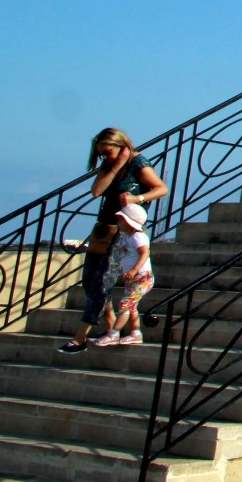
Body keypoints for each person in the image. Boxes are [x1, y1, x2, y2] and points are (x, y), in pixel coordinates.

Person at [59, 128, 167, 354]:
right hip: (104, 229)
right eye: (101, 154)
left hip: (125, 232)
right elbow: (96, 191)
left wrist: (138, 198)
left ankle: (80, 338)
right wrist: (115, 165)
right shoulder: (110, 165)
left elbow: (161, 188)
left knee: (102, 281)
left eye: (107, 152)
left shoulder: (139, 163)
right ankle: (109, 327)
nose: (104, 158)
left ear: (121, 146)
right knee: (89, 281)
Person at [91, 202, 153, 348]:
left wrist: (134, 269)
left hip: (142, 278)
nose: (118, 223)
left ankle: (113, 333)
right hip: (135, 279)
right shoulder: (127, 237)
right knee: (132, 306)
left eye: (121, 220)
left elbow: (145, 253)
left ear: (130, 223)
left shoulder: (138, 237)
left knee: (125, 305)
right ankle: (136, 333)